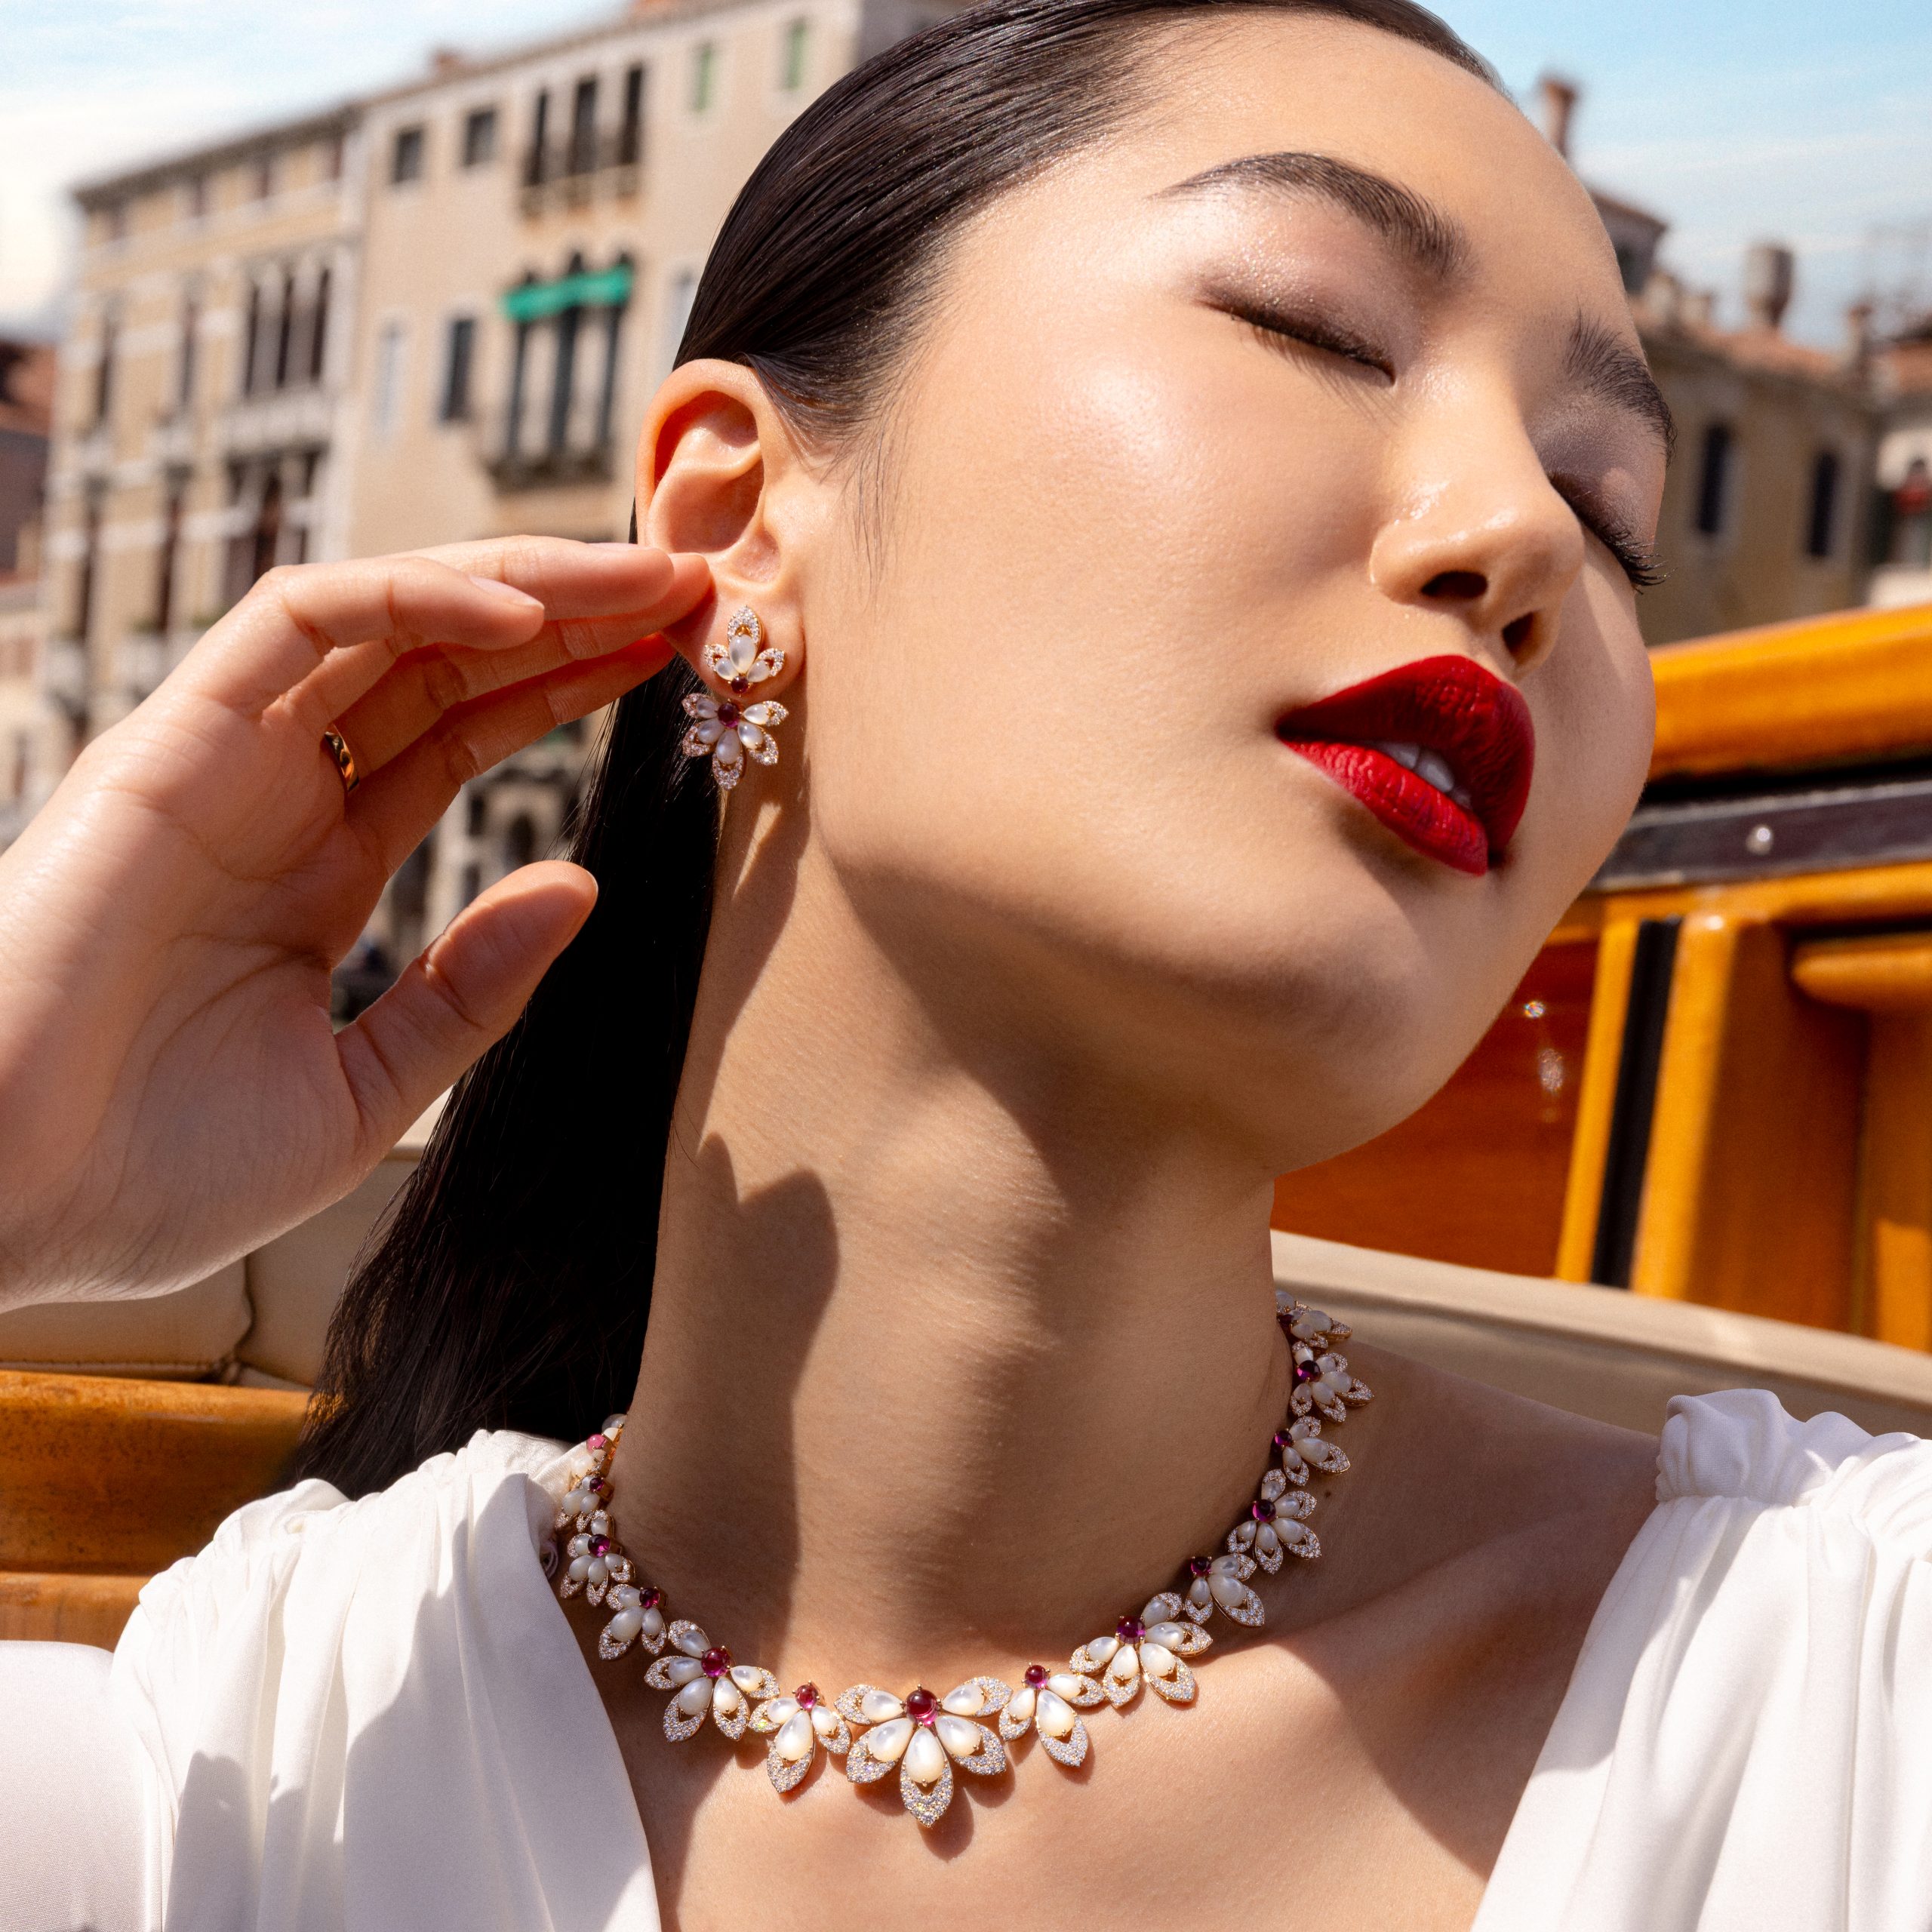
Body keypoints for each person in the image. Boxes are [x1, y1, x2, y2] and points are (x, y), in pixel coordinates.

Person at [2, 2, 1927, 1927]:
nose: (1520, 533)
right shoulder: (219, 1774)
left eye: (1610, 512)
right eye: (1319, 328)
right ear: (739, 520)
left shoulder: (1856, 1685)